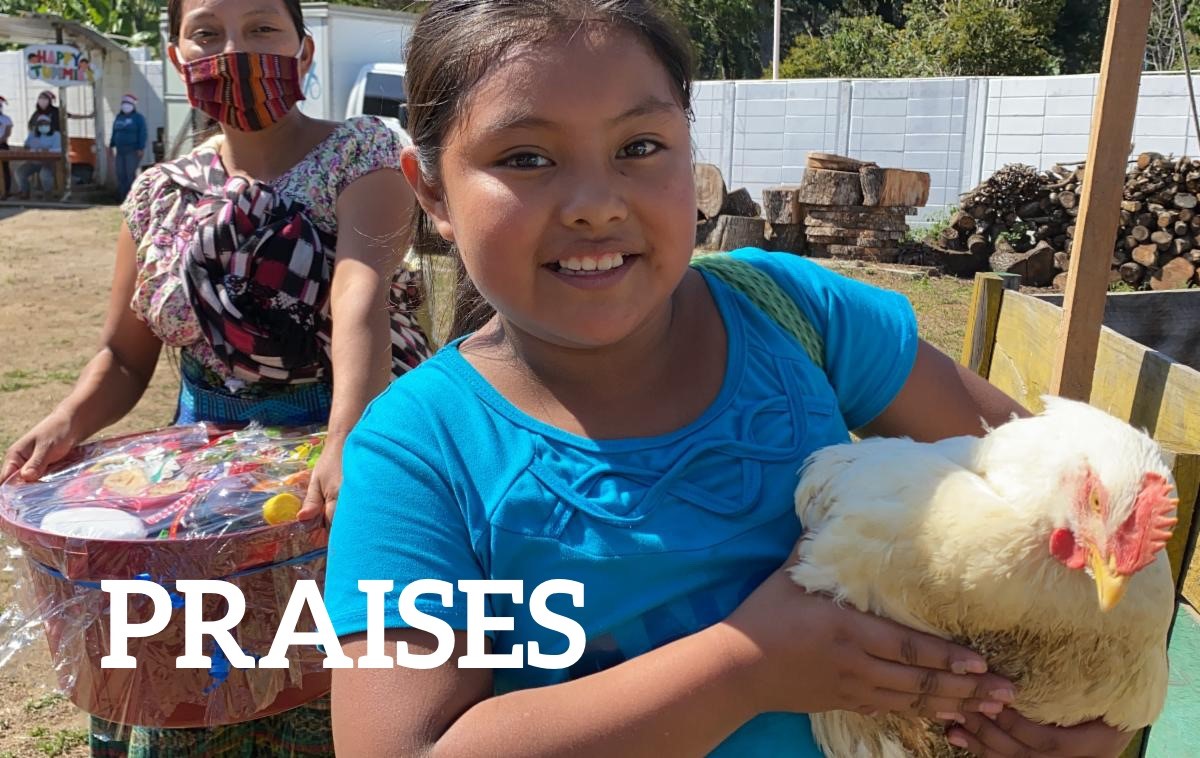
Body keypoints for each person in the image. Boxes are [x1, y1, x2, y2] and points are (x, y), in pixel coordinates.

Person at [324, 2, 1136, 757]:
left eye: (639, 147)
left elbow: (1064, 486)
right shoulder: (418, 452)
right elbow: (401, 746)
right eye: (525, 157)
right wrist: (745, 669)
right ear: (431, 188)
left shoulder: (795, 314)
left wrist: (1084, 718)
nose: (596, 205)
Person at [1, 0, 432, 754]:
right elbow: (125, 357)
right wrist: (68, 418)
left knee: (319, 668)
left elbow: (356, 296)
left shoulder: (363, 156)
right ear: (176, 58)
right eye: (208, 33)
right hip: (202, 479)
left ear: (303, 51)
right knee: (190, 669)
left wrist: (346, 443)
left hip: (338, 445)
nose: (234, 51)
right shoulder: (158, 194)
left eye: (262, 29)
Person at [110, 94, 148, 200]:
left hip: (132, 150)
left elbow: (143, 133)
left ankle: (131, 198)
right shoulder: (119, 117)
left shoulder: (138, 118)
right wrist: (111, 144)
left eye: (128, 104)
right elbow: (114, 131)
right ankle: (122, 197)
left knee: (129, 174)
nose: (126, 106)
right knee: (120, 174)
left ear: (133, 106)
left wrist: (141, 147)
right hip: (120, 150)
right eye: (124, 104)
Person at [14, 113, 59, 199]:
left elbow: (60, 150)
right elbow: (27, 146)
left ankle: (48, 193)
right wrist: (26, 148)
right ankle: (24, 192)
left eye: (45, 124)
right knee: (20, 172)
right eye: (41, 124)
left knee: (44, 173)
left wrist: (48, 151)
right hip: (34, 162)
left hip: (50, 162)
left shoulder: (56, 135)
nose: (43, 126)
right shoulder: (33, 134)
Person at [0, 95, 12, 196]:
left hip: (2, 145)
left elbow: (8, 132)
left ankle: (6, 190)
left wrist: (1, 139)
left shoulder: (6, 119)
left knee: (4, 168)